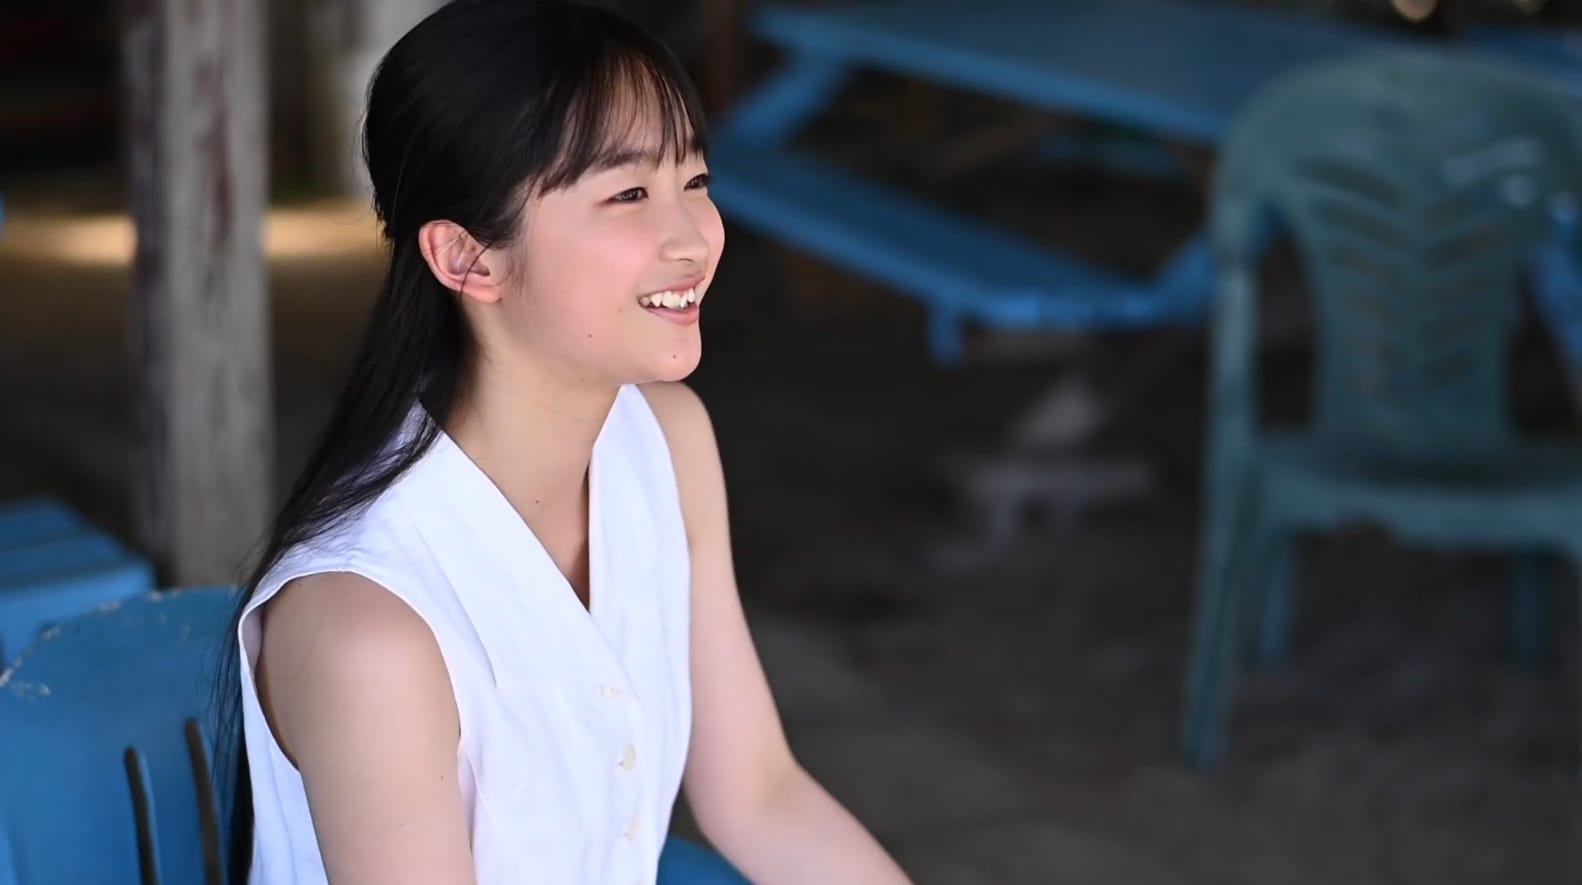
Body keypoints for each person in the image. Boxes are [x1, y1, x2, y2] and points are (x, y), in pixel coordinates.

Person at [215, 1, 914, 883]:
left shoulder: (668, 441)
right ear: (468, 258)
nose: (694, 238)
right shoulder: (370, 628)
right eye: (628, 194)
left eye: (695, 180)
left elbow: (760, 793)